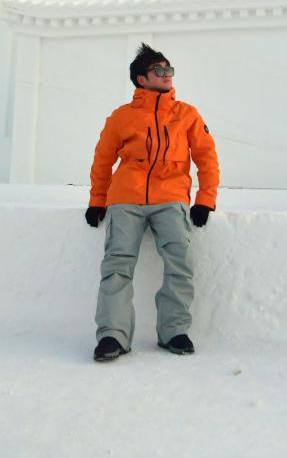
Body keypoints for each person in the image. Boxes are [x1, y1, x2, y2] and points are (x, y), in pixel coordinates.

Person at [87, 43, 219, 361]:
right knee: (117, 264)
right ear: (141, 79)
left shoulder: (187, 114)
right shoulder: (121, 117)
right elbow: (103, 160)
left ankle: (174, 330)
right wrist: (97, 200)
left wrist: (205, 199)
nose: (167, 75)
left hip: (171, 198)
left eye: (169, 69)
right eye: (159, 70)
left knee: (180, 262)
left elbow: (207, 158)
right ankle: (112, 336)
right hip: (126, 199)